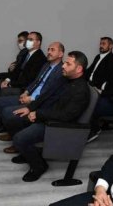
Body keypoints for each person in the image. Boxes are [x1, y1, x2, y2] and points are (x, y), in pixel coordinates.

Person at [11, 51, 91, 182]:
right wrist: (31, 108)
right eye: (64, 63)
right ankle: (28, 153)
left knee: (19, 139)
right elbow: (46, 95)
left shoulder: (80, 90)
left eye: (68, 64)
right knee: (16, 120)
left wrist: (38, 114)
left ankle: (39, 166)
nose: (63, 66)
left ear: (79, 69)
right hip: (48, 115)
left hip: (58, 125)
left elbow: (66, 115)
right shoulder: (65, 79)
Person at [0, 42, 67, 146]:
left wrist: (32, 98)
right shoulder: (46, 65)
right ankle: (11, 132)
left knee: (7, 112)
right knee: (0, 102)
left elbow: (49, 93)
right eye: (48, 49)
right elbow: (36, 81)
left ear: (61, 54)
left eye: (52, 50)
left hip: (38, 101)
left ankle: (16, 139)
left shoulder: (61, 71)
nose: (49, 52)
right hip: (30, 94)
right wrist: (26, 92)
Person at [0, 31, 29, 106]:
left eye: (21, 41)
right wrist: (11, 68)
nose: (19, 43)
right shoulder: (22, 52)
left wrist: (9, 78)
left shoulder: (27, 53)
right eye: (18, 41)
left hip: (14, 76)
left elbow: (20, 70)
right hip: (12, 73)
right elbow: (17, 64)